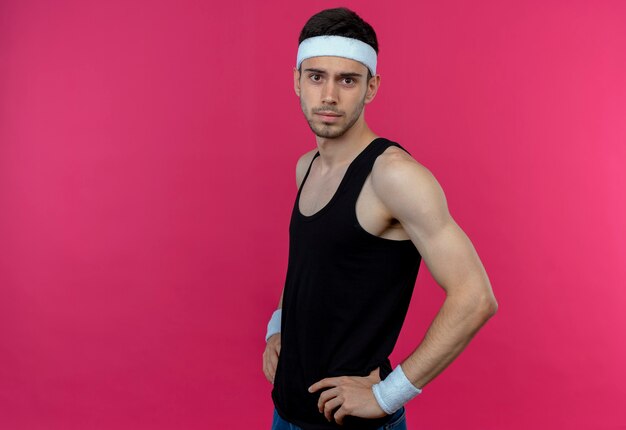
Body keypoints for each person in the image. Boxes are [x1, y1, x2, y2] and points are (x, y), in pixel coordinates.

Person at [262, 7, 498, 430]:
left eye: (347, 80)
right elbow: (305, 264)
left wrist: (388, 394)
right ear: (297, 80)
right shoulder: (307, 166)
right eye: (317, 77)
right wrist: (276, 329)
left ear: (371, 87)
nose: (329, 95)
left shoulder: (394, 175)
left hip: (353, 422)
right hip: (287, 410)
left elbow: (476, 296)